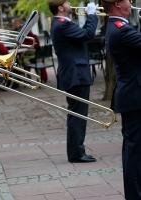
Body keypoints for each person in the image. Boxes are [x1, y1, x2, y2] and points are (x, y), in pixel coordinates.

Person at [48, 0, 98, 163]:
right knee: (78, 115)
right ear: (61, 8)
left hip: (74, 73)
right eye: (68, 3)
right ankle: (76, 153)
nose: (71, 4)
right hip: (75, 74)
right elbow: (87, 34)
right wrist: (91, 15)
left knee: (77, 114)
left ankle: (76, 151)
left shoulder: (62, 23)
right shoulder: (62, 24)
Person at [102, 0, 141, 198]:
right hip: (135, 96)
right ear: (118, 3)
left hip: (132, 94)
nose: (131, 2)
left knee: (134, 149)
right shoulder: (122, 30)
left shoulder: (118, 26)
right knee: (135, 151)